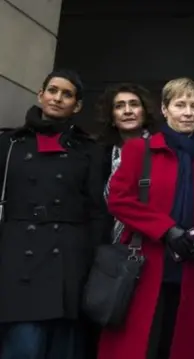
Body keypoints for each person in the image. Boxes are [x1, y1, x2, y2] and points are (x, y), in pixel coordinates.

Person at [97, 77, 194, 359]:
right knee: (141, 346)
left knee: (176, 346)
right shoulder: (139, 150)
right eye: (180, 105)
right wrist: (167, 230)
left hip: (189, 268)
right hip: (145, 264)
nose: (189, 112)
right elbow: (118, 200)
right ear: (165, 110)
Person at [0, 69, 107, 359]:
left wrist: (92, 263)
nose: (58, 98)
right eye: (53, 90)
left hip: (68, 262)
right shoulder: (9, 144)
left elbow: (97, 211)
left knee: (61, 348)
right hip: (16, 257)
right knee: (22, 344)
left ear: (78, 105)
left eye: (67, 94)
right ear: (40, 94)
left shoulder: (90, 150)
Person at [97, 83, 161, 244]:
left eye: (134, 104)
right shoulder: (100, 155)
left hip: (153, 240)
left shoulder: (161, 150)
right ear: (112, 118)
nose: (127, 111)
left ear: (145, 113)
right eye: (119, 106)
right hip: (109, 246)